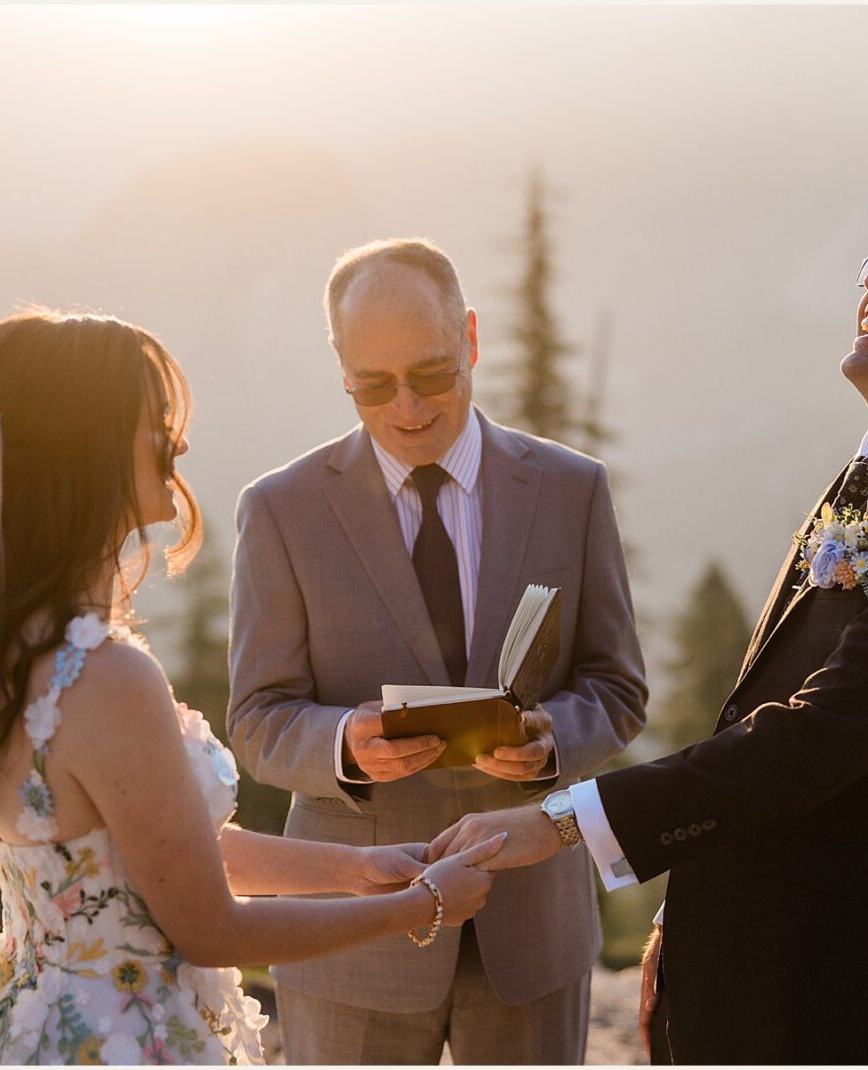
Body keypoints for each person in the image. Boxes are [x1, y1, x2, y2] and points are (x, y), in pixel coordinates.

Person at [428, 198, 868, 1064]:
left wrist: (562, 819)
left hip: (832, 972)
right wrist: (685, 906)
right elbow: (758, 712)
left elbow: (821, 733)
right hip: (736, 944)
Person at [0, 310, 504, 1065]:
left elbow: (155, 853)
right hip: (118, 1040)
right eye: (155, 424)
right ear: (94, 448)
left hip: (24, 1026)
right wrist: (423, 906)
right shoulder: (107, 677)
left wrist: (356, 870)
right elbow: (210, 927)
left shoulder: (2, 648)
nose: (179, 444)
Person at [226, 239, 648, 1064]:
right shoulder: (280, 511)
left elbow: (618, 688)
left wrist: (553, 741)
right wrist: (342, 745)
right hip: (352, 939)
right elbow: (256, 718)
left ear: (473, 341)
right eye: (374, 386)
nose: (408, 407)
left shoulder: (570, 489)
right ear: (340, 368)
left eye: (433, 374)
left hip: (533, 927)